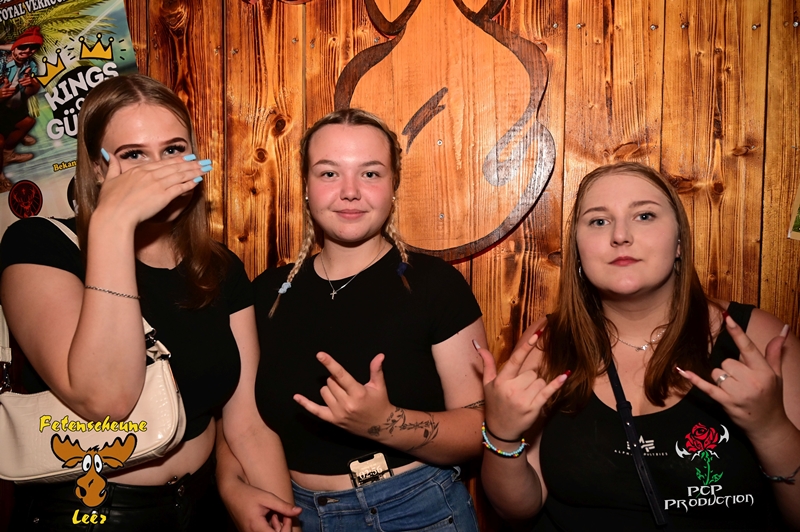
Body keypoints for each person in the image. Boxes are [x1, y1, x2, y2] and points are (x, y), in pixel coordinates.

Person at [0, 74, 298, 530]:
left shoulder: (220, 268)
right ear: (98, 168)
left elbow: (248, 425)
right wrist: (113, 223)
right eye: (134, 155)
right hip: (92, 511)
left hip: (202, 506)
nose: (158, 171)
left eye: (174, 150)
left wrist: (281, 516)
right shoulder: (40, 245)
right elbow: (106, 400)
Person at [476, 162, 800, 530]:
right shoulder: (546, 344)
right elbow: (517, 509)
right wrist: (501, 433)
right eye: (599, 221)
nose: (620, 236)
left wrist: (772, 429)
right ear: (578, 250)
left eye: (644, 216)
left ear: (679, 242)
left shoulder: (759, 338)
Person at [218, 108, 487, 532]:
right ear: (306, 187)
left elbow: (479, 428)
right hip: (295, 512)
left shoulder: (433, 284)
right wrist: (232, 486)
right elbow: (237, 419)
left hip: (415, 509)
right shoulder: (267, 294)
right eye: (329, 173)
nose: (349, 192)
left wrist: (385, 424)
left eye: (370, 174)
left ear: (393, 186)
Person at [0, 26, 42, 192]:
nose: (28, 51)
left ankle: (7, 154)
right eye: (23, 46)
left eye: (33, 47)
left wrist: (31, 84)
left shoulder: (30, 64)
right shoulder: (1, 62)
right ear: (14, 47)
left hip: (9, 109)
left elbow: (30, 92)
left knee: (28, 122)